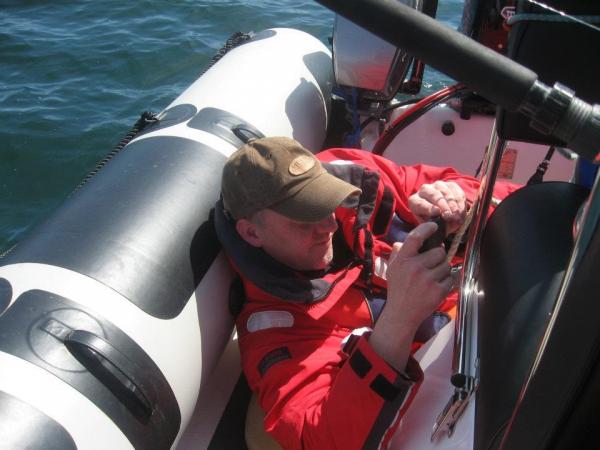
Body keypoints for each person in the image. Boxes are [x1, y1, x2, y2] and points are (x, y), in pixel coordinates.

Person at [214, 136, 518, 449]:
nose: (328, 226)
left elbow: (468, 186)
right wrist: (400, 318)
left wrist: (455, 201)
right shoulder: (276, 329)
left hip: (497, 309)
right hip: (473, 377)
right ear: (251, 233)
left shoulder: (355, 179)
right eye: (304, 219)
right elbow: (323, 437)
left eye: (324, 203)